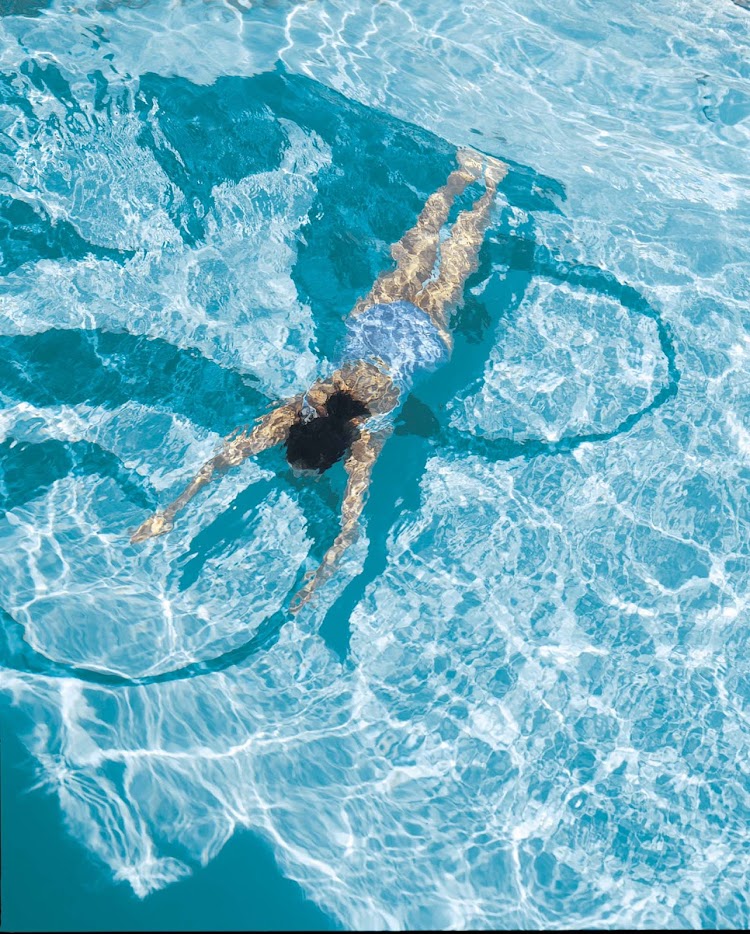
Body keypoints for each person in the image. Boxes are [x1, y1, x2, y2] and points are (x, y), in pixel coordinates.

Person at [131, 149, 507, 610]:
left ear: (338, 452)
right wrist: (171, 511)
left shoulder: (367, 440)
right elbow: (225, 458)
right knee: (419, 245)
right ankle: (464, 176)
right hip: (375, 322)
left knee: (453, 269)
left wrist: (316, 580)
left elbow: (349, 524)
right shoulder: (306, 405)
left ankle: (492, 186)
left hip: (423, 345)